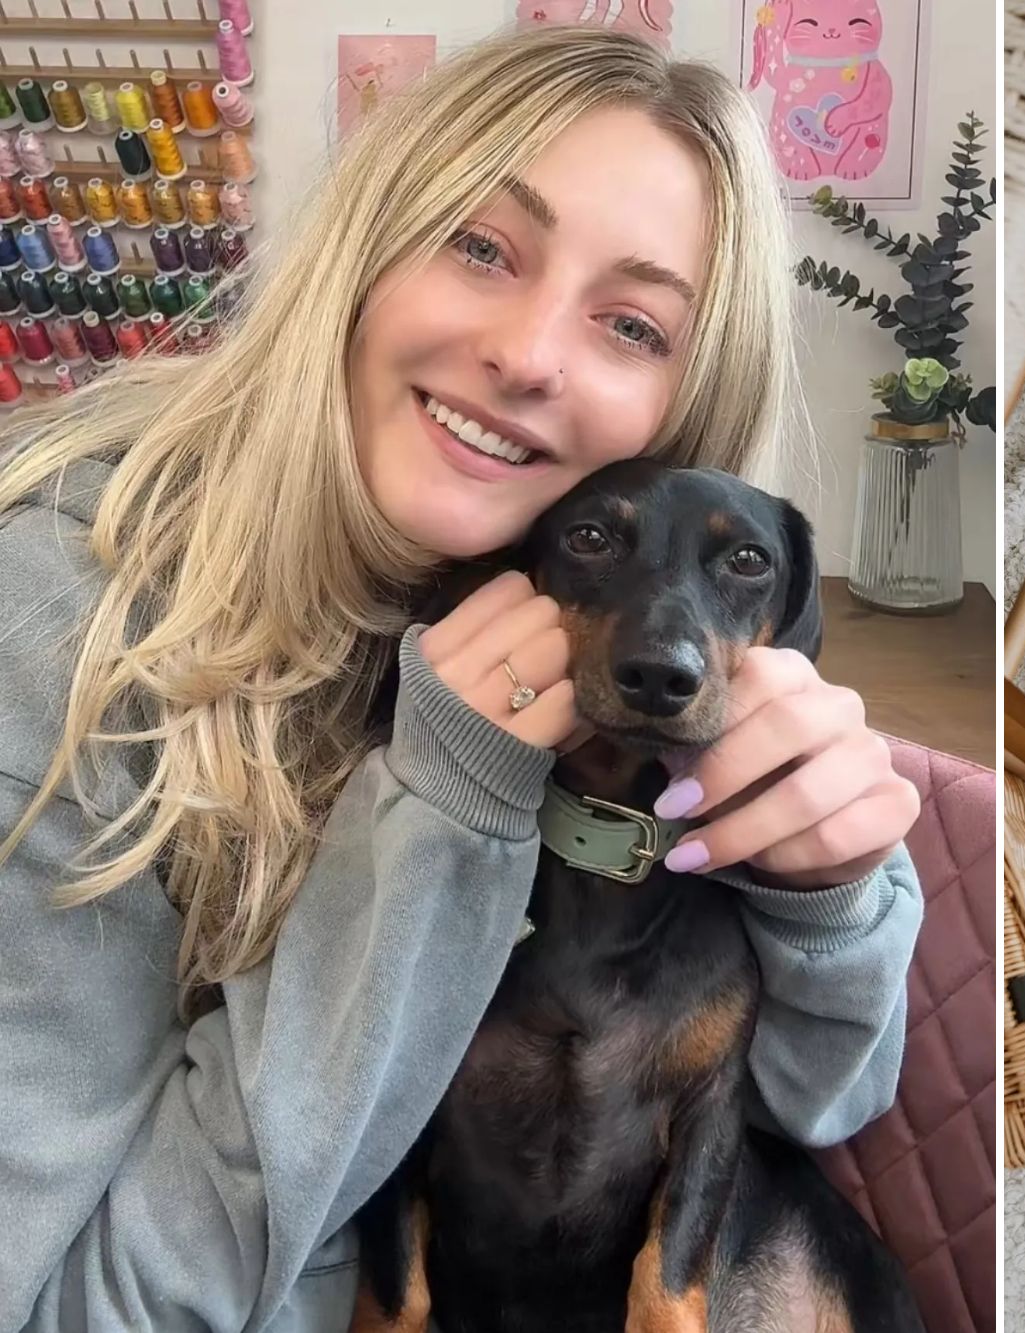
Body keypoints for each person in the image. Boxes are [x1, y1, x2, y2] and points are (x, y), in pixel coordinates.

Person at [0, 25, 922, 1330]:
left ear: (686, 400)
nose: (533, 354)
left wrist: (833, 907)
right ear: (363, 252)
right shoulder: (51, 626)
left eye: (632, 322)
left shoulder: (621, 666)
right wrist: (438, 818)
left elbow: (803, 1108)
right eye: (481, 245)